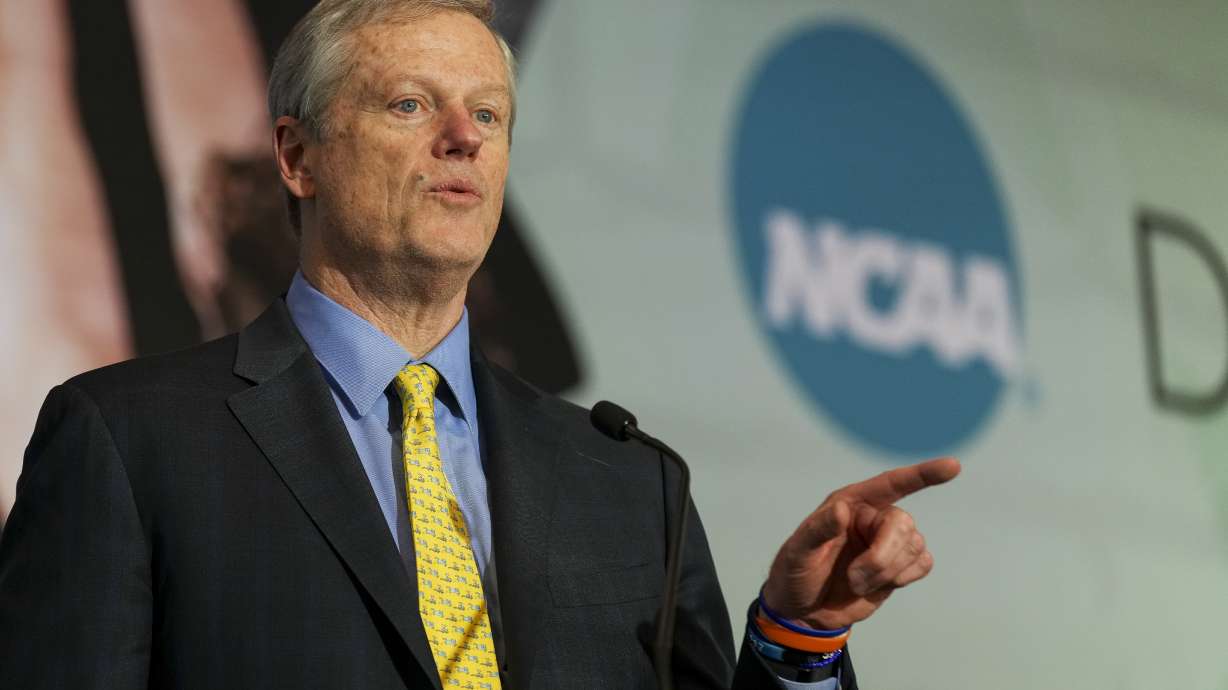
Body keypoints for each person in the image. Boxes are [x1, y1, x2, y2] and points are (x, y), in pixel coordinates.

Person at [0, 1, 960, 688]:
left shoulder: (629, 480)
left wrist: (800, 634)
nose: (463, 137)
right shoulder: (127, 440)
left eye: (489, 114)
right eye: (410, 105)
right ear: (297, 157)